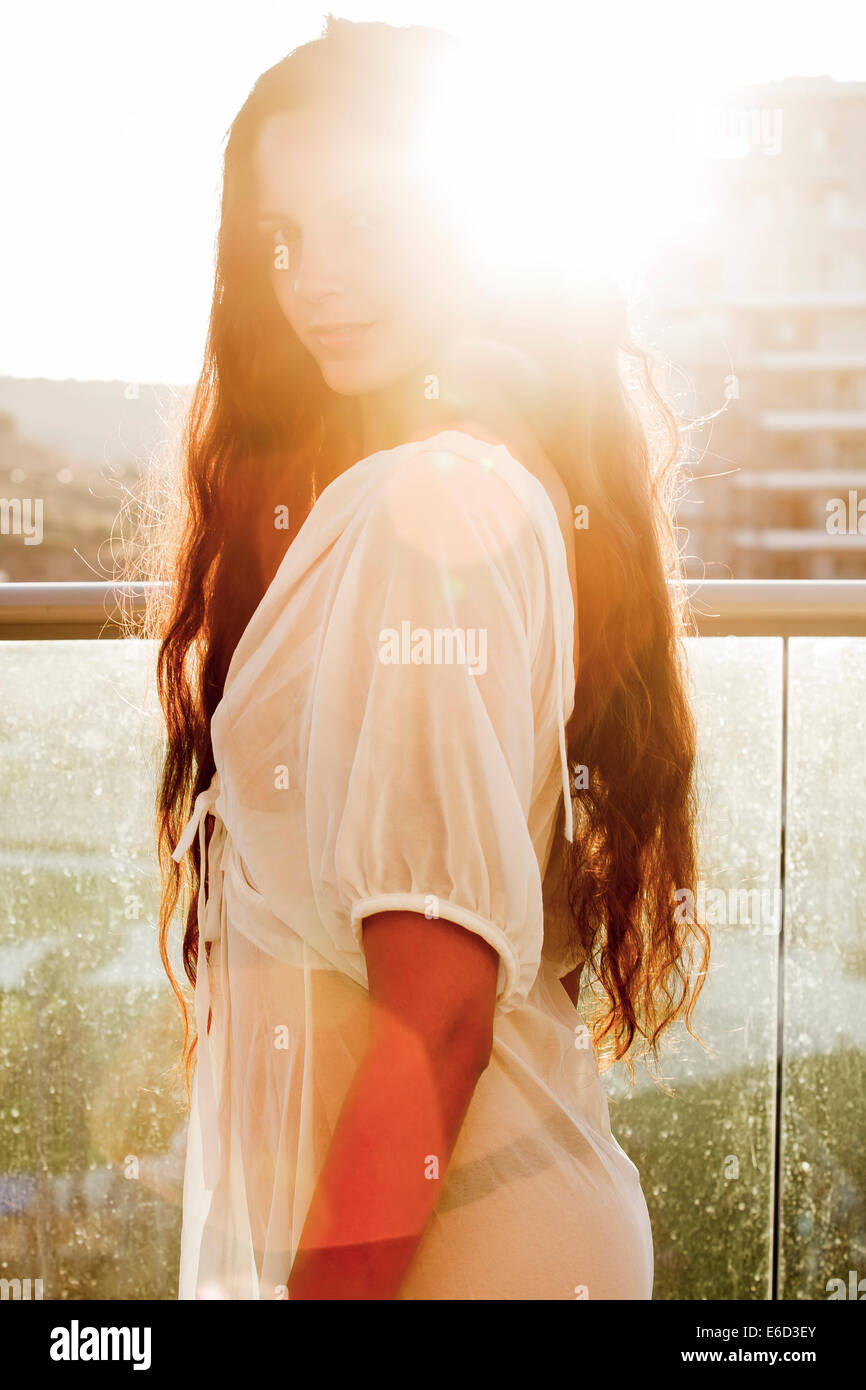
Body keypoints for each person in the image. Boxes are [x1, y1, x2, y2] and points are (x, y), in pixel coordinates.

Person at [148, 14, 709, 1300]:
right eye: (284, 238)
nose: (311, 280)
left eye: (366, 222)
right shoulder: (468, 484)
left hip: (455, 1254)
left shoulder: (434, 505)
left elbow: (439, 1009)